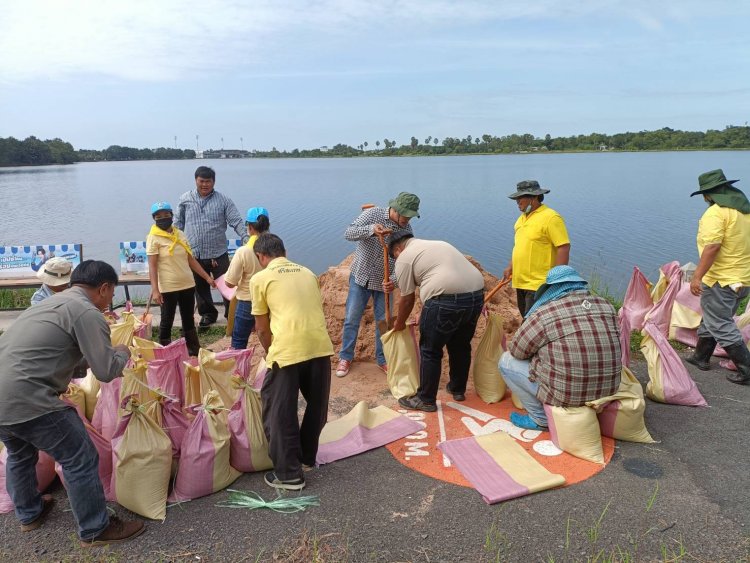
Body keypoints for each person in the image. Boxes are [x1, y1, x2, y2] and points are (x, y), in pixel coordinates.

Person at [0, 260, 145, 546]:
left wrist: (85, 364)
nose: (111, 300)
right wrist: (123, 351)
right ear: (104, 288)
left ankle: (30, 514)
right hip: (29, 399)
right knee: (79, 456)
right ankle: (95, 529)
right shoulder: (87, 312)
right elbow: (106, 371)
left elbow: (57, 354)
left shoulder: (49, 304)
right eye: (112, 293)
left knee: (20, 453)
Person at [251, 233, 333, 491]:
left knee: (278, 410)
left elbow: (262, 329)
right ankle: (307, 457)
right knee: (316, 404)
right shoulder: (308, 273)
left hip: (288, 350)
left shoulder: (261, 278)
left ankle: (289, 475)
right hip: (320, 346)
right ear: (283, 252)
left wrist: (269, 352)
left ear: (261, 257)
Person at [499, 266, 621, 430]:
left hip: (567, 394)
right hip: (609, 391)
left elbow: (517, 351)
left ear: (550, 290)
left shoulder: (545, 313)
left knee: (506, 362)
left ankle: (540, 419)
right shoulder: (606, 306)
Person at [388, 234, 485, 412]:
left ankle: (425, 400)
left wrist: (400, 323)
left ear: (397, 249)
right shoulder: (437, 244)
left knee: (430, 350)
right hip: (476, 296)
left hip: (445, 301)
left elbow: (407, 299)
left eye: (394, 257)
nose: (396, 261)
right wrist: (426, 310)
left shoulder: (404, 258)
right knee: (461, 345)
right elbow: (437, 277)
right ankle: (457, 389)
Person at [335, 192, 421, 378]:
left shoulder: (407, 229)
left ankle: (382, 359)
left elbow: (405, 260)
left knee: (383, 321)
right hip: (361, 276)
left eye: (410, 217)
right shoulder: (372, 214)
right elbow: (348, 233)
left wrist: (394, 281)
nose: (407, 220)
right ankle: (345, 357)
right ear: (396, 209)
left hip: (385, 282)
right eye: (405, 216)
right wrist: (371, 230)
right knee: (352, 317)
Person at [685, 169, 750, 384]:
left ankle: (746, 369)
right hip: (743, 278)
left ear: (708, 194)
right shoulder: (744, 210)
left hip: (722, 279)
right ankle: (701, 356)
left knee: (720, 322)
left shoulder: (715, 213)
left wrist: (697, 276)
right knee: (714, 316)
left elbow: (712, 247)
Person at [174, 166, 248, 328]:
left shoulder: (223, 200)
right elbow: (177, 225)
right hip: (194, 254)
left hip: (218, 253)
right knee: (200, 288)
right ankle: (208, 314)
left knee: (228, 284)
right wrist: (172, 244)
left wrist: (246, 238)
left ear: (214, 182)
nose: (205, 185)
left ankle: (231, 314)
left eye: (208, 181)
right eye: (202, 181)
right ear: (196, 180)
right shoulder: (185, 199)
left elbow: (236, 221)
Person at [147, 201, 216, 356]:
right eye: (159, 216)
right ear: (154, 218)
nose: (163, 218)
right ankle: (165, 353)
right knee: (167, 320)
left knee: (188, 319)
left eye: (166, 215)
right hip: (168, 287)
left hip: (187, 284)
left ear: (172, 215)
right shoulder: (153, 238)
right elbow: (152, 266)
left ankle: (193, 350)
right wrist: (155, 290)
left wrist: (207, 278)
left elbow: (190, 260)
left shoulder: (180, 234)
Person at [503, 180, 570, 317]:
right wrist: (511, 265)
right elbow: (520, 245)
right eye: (516, 198)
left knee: (532, 322)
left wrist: (557, 278)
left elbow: (563, 247)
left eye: (520, 197)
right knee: (525, 317)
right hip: (521, 282)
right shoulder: (521, 219)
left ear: (534, 198)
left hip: (539, 284)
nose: (517, 201)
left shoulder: (551, 217)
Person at [224, 206, 270, 349]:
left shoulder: (243, 251)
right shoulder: (275, 247)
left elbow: (229, 283)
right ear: (267, 225)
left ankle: (238, 370)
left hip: (247, 302)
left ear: (249, 227)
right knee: (270, 335)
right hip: (269, 300)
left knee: (239, 340)